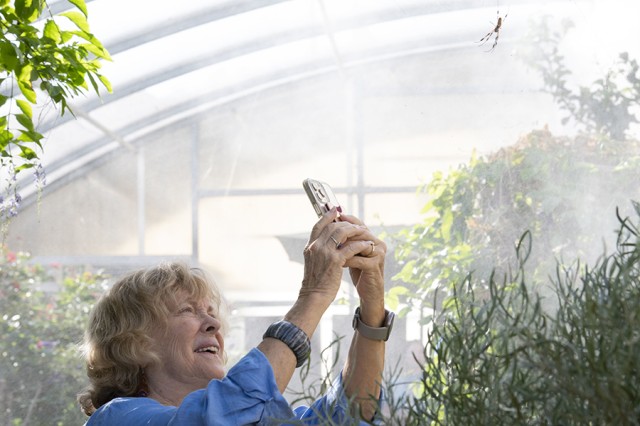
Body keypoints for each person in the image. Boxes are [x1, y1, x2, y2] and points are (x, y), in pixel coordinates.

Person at [78, 207, 395, 425]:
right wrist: (313, 296)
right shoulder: (117, 418)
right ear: (134, 341)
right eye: (187, 311)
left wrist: (372, 308)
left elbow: (350, 415)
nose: (214, 324)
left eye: (212, 312)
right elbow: (223, 416)